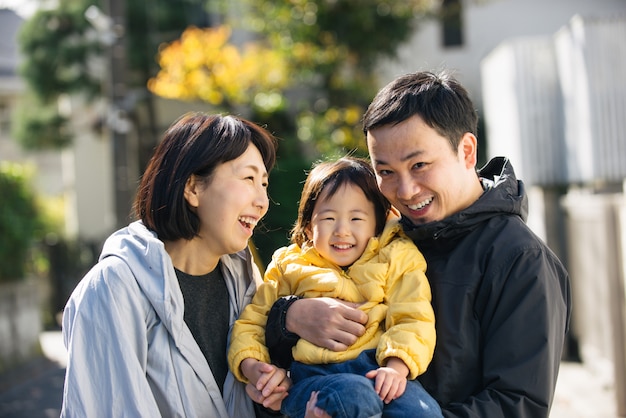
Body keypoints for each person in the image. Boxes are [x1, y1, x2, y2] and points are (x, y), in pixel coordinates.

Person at [254, 71, 572, 417]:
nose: (404, 191)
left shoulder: (520, 260)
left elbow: (516, 405)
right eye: (386, 171)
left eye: (419, 165)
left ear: (466, 151)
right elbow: (286, 351)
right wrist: (289, 318)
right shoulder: (378, 236)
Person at [60, 112, 289, 417]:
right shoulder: (114, 288)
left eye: (264, 184)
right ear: (193, 188)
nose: (262, 201)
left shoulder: (246, 282)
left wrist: (273, 395)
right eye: (248, 178)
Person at [229, 156, 441, 418]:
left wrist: (397, 367)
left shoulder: (397, 255)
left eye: (356, 219)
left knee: (423, 412)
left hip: (380, 370)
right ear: (308, 227)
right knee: (353, 396)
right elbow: (252, 324)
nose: (342, 230)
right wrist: (254, 368)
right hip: (313, 377)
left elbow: (413, 316)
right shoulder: (289, 264)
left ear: (377, 223)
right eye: (329, 218)